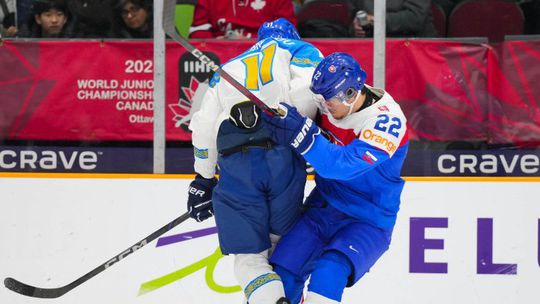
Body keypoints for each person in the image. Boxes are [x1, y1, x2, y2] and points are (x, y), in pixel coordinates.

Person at [186, 18, 323, 304]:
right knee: (278, 248)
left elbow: (203, 124)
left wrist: (204, 177)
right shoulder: (301, 50)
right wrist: (307, 142)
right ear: (292, 35)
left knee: (249, 257)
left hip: (238, 165)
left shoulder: (229, 68)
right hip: (284, 160)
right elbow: (310, 93)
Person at [262, 52, 409, 304]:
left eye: (329, 101)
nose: (323, 108)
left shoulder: (387, 121)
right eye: (319, 100)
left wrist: (303, 137)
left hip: (368, 219)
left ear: (351, 93)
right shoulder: (329, 99)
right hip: (322, 209)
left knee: (328, 274)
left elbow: (341, 166)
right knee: (281, 277)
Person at [189, 0, 297, 39]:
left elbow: (288, 35)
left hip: (264, 57)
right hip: (220, 58)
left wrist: (249, 42)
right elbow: (197, 31)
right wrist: (215, 44)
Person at [350, 0, 438, 37]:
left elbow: (415, 19)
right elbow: (352, 18)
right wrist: (356, 28)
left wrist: (376, 21)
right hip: (372, 47)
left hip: (414, 48)